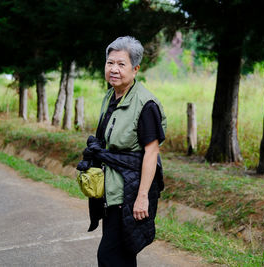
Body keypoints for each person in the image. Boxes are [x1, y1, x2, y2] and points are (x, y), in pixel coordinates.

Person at [79, 36, 167, 267]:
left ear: (136, 69)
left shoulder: (146, 105)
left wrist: (142, 198)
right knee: (123, 256)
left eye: (121, 64)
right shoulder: (111, 96)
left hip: (129, 191)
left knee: (109, 256)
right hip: (112, 189)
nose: (114, 69)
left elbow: (151, 154)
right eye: (110, 63)